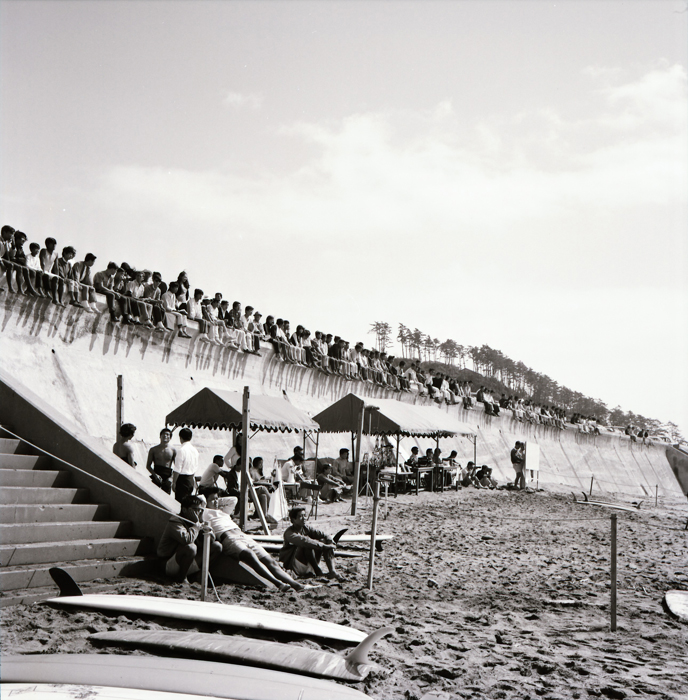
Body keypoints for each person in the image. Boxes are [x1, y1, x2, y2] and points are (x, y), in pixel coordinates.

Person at [202, 488, 302, 591]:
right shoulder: (203, 512)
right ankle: (278, 583)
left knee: (270, 560)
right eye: (213, 500)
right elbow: (199, 503)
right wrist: (204, 502)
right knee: (250, 555)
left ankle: (295, 584)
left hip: (242, 535)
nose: (217, 502)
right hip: (229, 538)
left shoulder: (222, 511)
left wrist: (216, 500)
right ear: (205, 501)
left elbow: (234, 499)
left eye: (217, 499)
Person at [157, 494, 221, 582]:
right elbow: (187, 539)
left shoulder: (195, 521)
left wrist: (209, 533)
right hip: (168, 563)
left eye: (200, 510)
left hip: (186, 563)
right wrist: (196, 526)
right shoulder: (175, 521)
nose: (198, 513)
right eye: (195, 510)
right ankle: (182, 578)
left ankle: (199, 575)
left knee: (217, 546)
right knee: (191, 547)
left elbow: (210, 541)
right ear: (184, 509)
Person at [279, 506, 342, 581]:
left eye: (304, 515)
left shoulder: (306, 528)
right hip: (295, 565)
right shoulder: (289, 533)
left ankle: (332, 571)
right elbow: (304, 541)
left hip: (308, 562)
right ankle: (317, 570)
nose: (304, 518)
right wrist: (324, 546)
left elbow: (323, 534)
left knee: (323, 540)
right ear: (293, 520)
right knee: (308, 544)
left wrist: (330, 541)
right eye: (300, 516)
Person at [145, 428, 177, 494]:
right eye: (163, 434)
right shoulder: (153, 449)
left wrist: (171, 478)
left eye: (167, 434)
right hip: (156, 475)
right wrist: (155, 475)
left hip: (167, 477)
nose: (165, 436)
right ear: (160, 436)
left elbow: (177, 467)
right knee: (153, 496)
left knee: (166, 498)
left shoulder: (173, 450)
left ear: (170, 437)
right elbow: (148, 466)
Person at [173, 428, 198, 502]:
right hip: (191, 479)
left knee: (180, 502)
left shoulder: (181, 450)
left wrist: (174, 482)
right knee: (187, 502)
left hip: (182, 480)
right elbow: (195, 467)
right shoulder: (195, 450)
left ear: (180, 437)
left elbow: (177, 468)